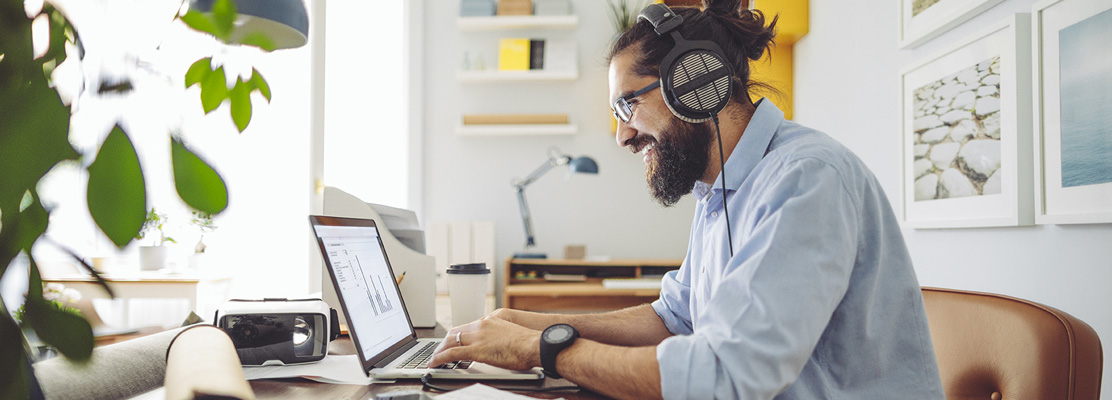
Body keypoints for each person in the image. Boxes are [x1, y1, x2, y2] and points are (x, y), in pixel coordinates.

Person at [429, 1, 945, 398]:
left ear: (694, 83)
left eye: (626, 105)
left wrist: (544, 349)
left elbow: (729, 377)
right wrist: (530, 322)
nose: (622, 137)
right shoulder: (719, 187)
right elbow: (675, 318)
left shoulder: (806, 179)